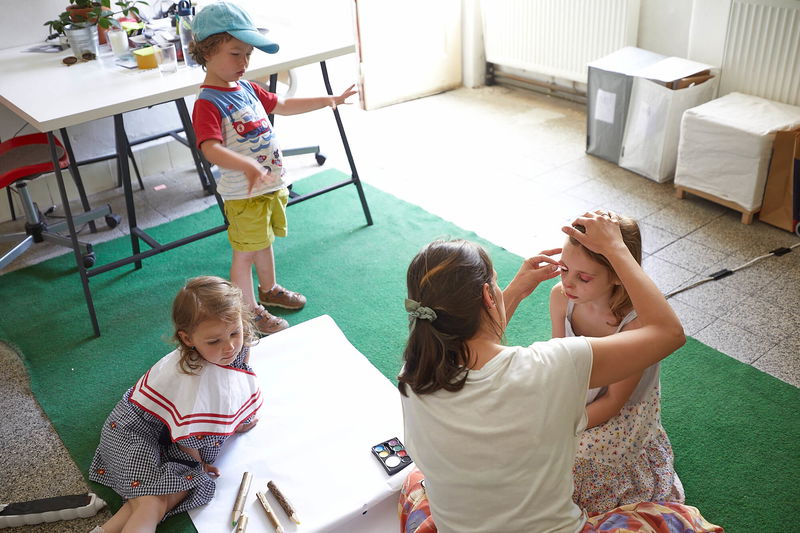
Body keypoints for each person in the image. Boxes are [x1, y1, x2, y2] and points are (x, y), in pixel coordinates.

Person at [397, 211, 723, 533]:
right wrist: (616, 250)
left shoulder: (415, 371)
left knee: (415, 479)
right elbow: (669, 333)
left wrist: (515, 290)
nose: (567, 282)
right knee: (680, 521)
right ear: (487, 296)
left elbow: (466, 339)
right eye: (496, 283)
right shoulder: (553, 368)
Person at [188, 2, 358, 334]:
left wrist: (327, 100)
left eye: (248, 54)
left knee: (263, 243)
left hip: (267, 188)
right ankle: (249, 311)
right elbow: (210, 149)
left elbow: (282, 104)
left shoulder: (247, 88)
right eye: (235, 54)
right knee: (245, 254)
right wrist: (246, 164)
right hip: (244, 196)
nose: (244, 62)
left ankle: (269, 289)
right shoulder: (208, 102)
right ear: (207, 52)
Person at [88, 276, 261, 533]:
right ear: (187, 339)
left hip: (166, 436)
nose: (230, 347)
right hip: (131, 432)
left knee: (178, 486)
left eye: (235, 332)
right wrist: (199, 463)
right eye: (214, 341)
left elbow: (235, 384)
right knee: (151, 501)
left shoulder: (239, 347)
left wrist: (237, 420)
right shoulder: (190, 376)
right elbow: (185, 436)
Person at [550, 213, 684, 513]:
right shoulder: (561, 297)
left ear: (617, 274)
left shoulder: (635, 324)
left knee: (571, 464)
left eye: (584, 277)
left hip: (618, 411)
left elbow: (613, 401)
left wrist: (561, 424)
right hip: (574, 392)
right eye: (564, 269)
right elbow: (559, 359)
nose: (567, 282)